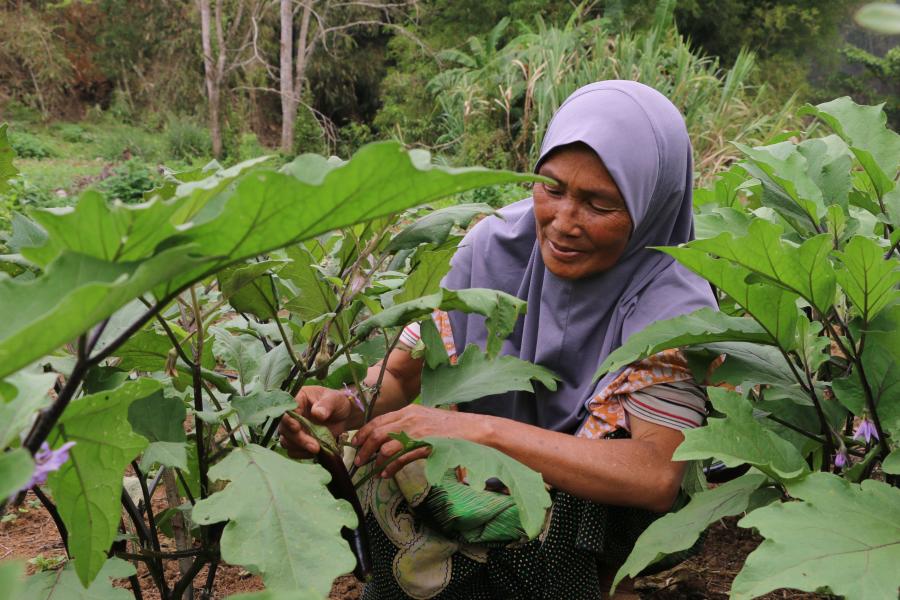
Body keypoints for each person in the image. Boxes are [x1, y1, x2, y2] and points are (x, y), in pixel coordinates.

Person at [279, 80, 717, 599]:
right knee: (378, 453)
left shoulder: (675, 302)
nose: (562, 222)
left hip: (595, 500)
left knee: (579, 500)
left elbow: (654, 475)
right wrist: (346, 405)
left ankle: (598, 581)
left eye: (599, 204)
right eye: (551, 188)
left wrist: (480, 431)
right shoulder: (494, 247)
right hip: (481, 477)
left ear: (650, 206)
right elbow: (401, 372)